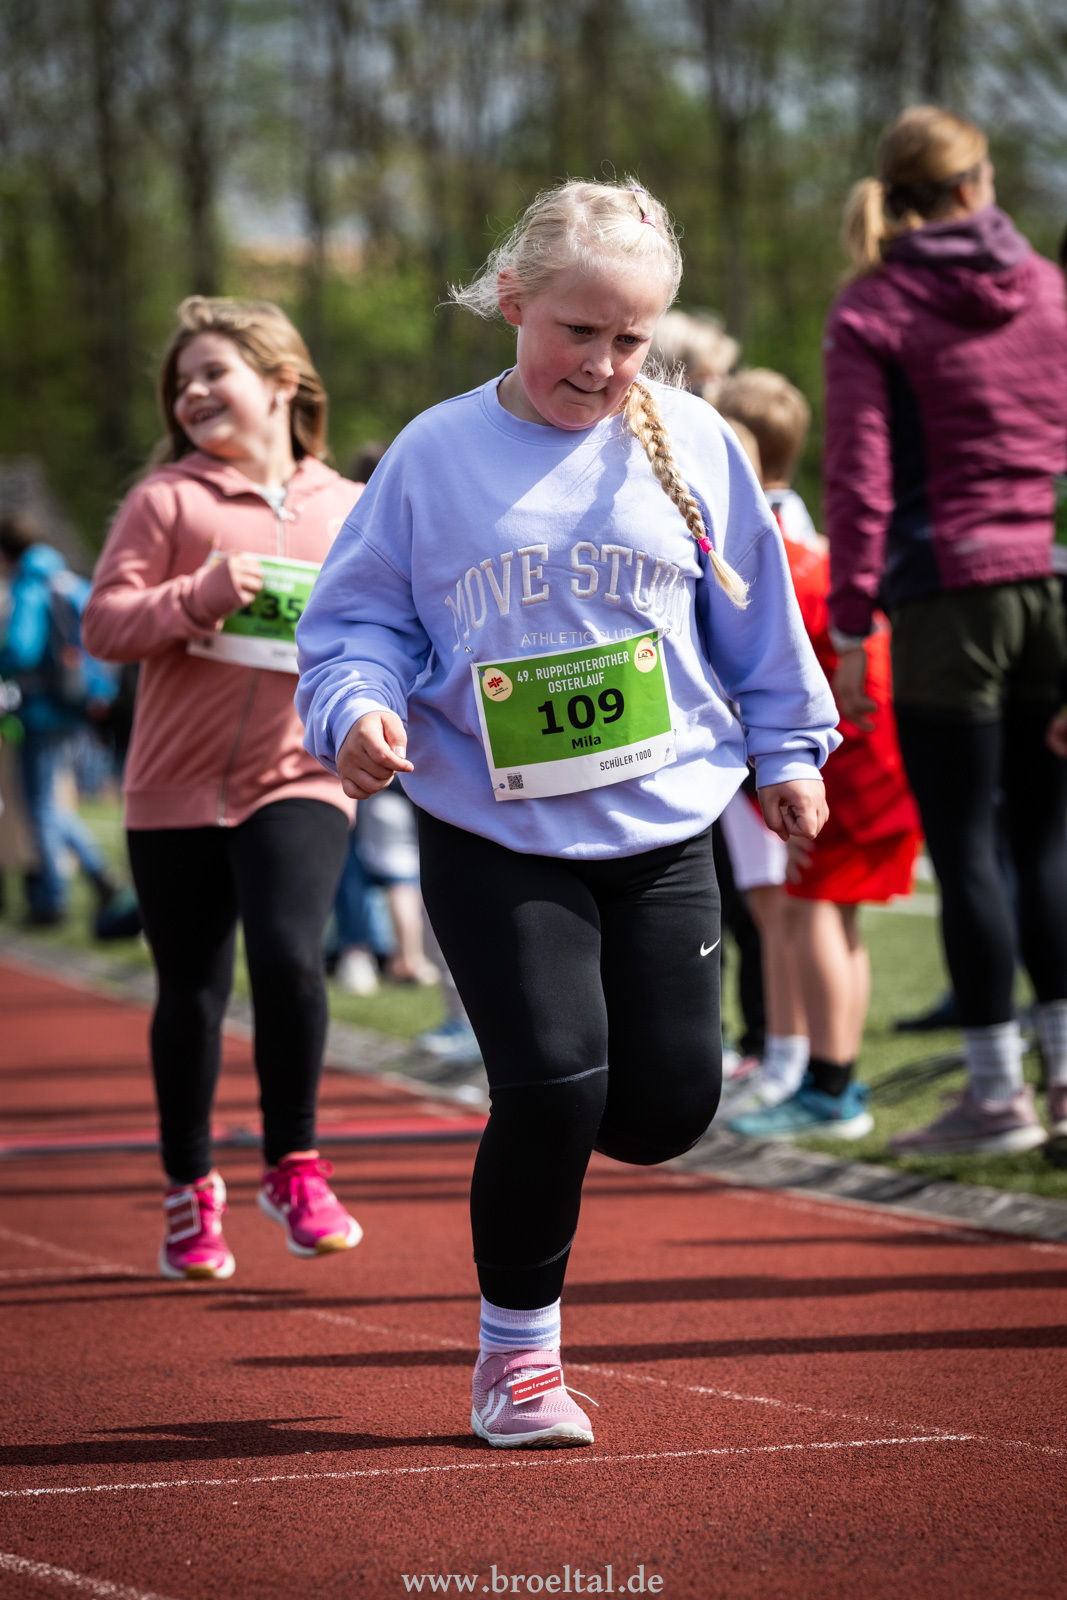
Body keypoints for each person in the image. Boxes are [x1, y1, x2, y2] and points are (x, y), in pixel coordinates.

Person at [296, 178, 839, 1450]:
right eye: (575, 331)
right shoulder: (432, 455)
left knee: (660, 1113)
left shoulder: (695, 443)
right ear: (511, 302)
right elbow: (357, 623)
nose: (599, 364)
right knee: (550, 1086)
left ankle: (572, 1135)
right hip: (493, 831)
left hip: (659, 833)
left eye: (628, 338)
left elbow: (757, 624)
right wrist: (356, 709)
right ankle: (518, 1361)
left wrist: (787, 751)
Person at [83, 296, 363, 1280]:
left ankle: (294, 1164)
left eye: (213, 373)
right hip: (175, 784)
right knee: (192, 991)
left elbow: (385, 629)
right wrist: (196, 596)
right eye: (181, 383)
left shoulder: (347, 507)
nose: (192, 394)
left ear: (282, 382)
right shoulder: (166, 501)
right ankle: (188, 1189)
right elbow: (104, 625)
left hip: (298, 772)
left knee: (289, 958)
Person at [824, 105, 1067, 1156]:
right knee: (1045, 844)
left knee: (966, 848)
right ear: (975, 184)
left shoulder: (872, 303)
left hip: (943, 598)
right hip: (1051, 585)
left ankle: (995, 1098)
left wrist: (847, 629)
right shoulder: (1048, 287)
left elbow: (859, 481)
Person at [715, 374, 922, 1139]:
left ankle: (830, 1088)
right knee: (826, 916)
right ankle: (827, 1079)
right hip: (871, 761)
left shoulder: (781, 559)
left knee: (811, 913)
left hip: (848, 768)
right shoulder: (809, 554)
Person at [0, 511, 127, 929]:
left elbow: (21, 647)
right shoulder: (67, 580)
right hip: (75, 704)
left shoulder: (29, 586)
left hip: (40, 708)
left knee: (39, 803)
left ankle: (52, 899)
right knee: (51, 802)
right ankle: (98, 875)